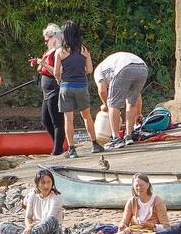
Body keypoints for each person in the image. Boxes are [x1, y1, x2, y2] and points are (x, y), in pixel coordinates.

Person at [51, 20, 103, 158]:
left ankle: (72, 149)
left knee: (68, 119)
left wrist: (60, 79)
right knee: (86, 116)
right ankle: (95, 144)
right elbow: (90, 69)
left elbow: (56, 72)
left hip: (66, 87)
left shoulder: (60, 52)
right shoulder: (84, 50)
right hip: (81, 86)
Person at [94, 174, 169, 234]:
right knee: (128, 233)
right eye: (136, 186)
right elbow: (124, 221)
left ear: (148, 185)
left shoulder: (157, 201)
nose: (139, 188)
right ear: (133, 186)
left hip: (150, 232)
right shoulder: (131, 201)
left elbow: (166, 226)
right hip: (133, 230)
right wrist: (122, 225)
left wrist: (150, 225)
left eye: (142, 185)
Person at [94, 50, 148, 148]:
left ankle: (116, 139)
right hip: (142, 67)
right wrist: (138, 113)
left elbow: (102, 90)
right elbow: (137, 97)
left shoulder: (98, 70)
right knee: (131, 102)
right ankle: (129, 136)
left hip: (124, 67)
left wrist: (105, 105)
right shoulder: (109, 65)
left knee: (113, 105)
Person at [0, 169, 63, 234]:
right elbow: (28, 217)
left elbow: (49, 218)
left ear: (52, 183)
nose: (46, 185)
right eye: (43, 182)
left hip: (50, 229)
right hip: (34, 228)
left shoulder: (56, 197)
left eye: (49, 182)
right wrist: (29, 228)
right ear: (37, 184)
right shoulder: (32, 194)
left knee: (52, 219)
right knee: (2, 226)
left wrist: (29, 230)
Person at [31, 24, 65, 156]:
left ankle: (57, 149)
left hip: (54, 88)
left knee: (56, 120)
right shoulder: (49, 51)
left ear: (54, 38)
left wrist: (43, 64)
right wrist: (38, 63)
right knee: (45, 119)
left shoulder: (59, 51)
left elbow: (59, 72)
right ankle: (57, 145)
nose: (45, 43)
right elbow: (43, 67)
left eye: (47, 40)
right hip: (46, 90)